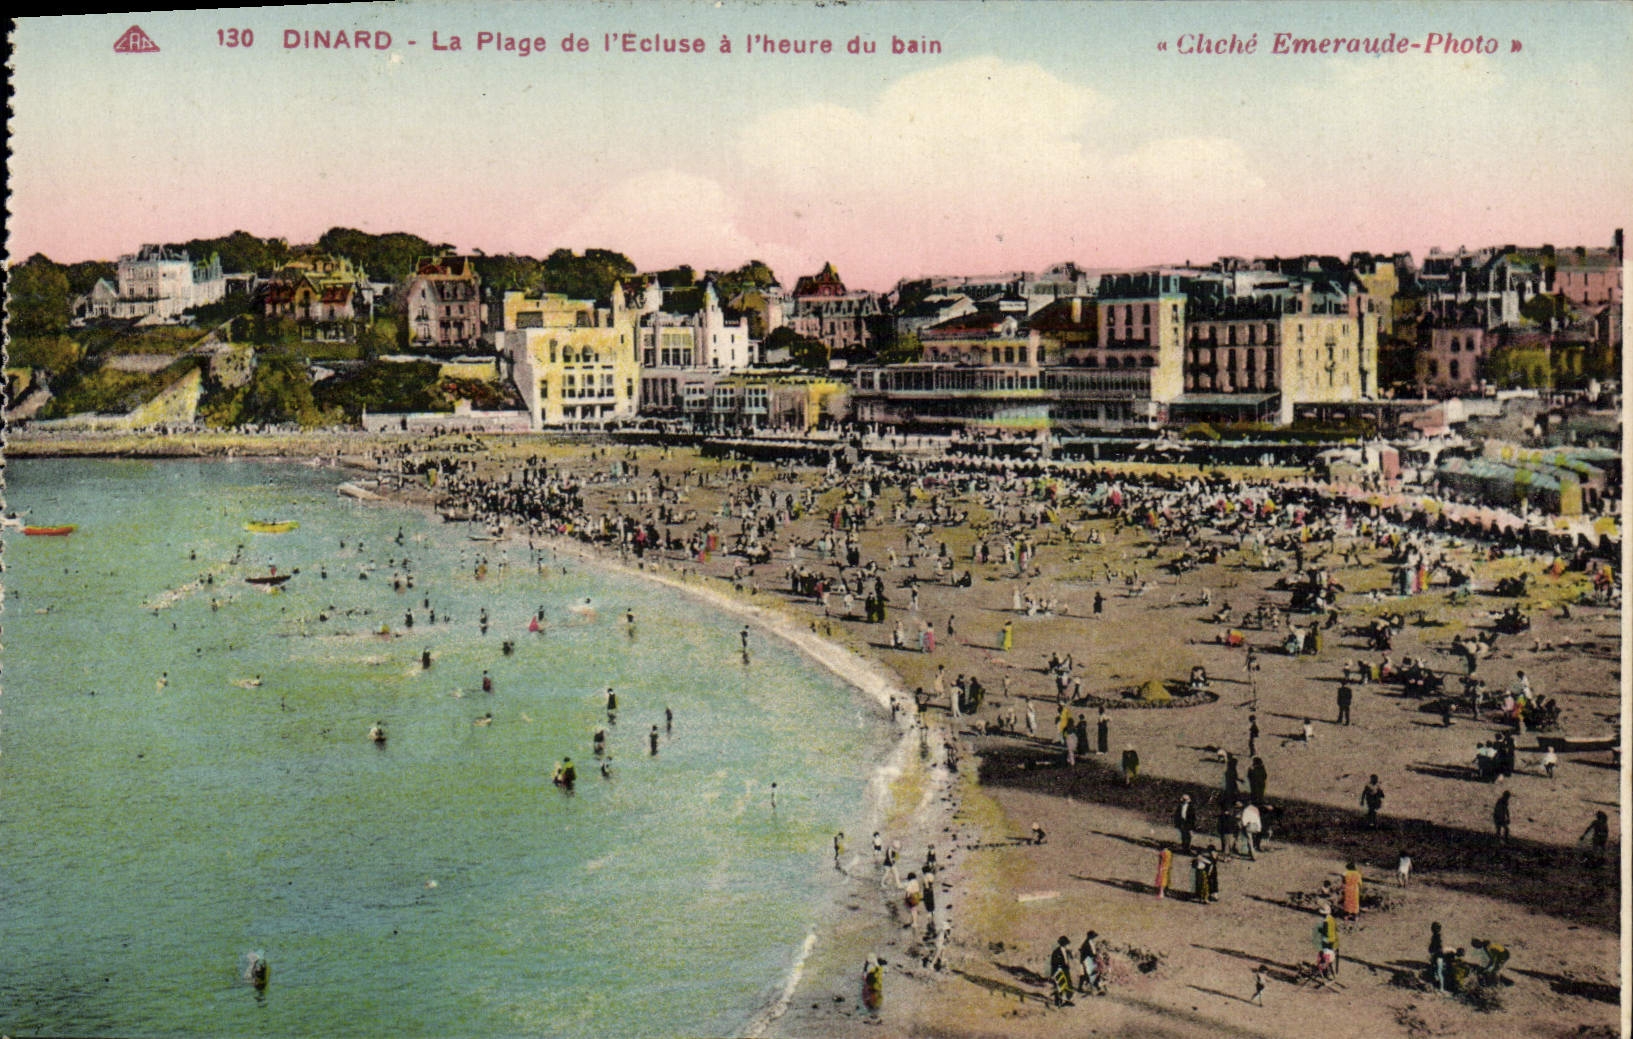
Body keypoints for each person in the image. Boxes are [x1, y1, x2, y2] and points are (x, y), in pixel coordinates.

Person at [1049, 936, 1075, 1007]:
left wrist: (1071, 953)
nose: (1067, 945)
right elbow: (1054, 963)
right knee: (1060, 985)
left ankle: (1067, 1000)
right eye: (1066, 944)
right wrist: (1055, 972)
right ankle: (1059, 1001)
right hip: (1059, 970)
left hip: (1066, 970)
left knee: (1069, 984)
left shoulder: (1066, 951)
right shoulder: (1056, 952)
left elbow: (1072, 958)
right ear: (1063, 944)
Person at [1078, 931, 1105, 995]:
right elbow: (1089, 953)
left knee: (1087, 975)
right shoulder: (1086, 943)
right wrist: (1095, 956)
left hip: (1090, 960)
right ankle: (1097, 989)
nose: (1094, 937)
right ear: (1089, 936)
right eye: (1093, 936)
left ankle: (1082, 988)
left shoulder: (1090, 942)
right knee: (1090, 974)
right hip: (1087, 961)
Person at [1428, 922, 1448, 993]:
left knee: (1438, 971)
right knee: (1437, 971)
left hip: (1438, 955)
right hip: (1438, 955)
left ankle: (1441, 988)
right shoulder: (1437, 936)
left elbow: (1436, 947)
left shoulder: (1437, 937)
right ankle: (1440, 987)